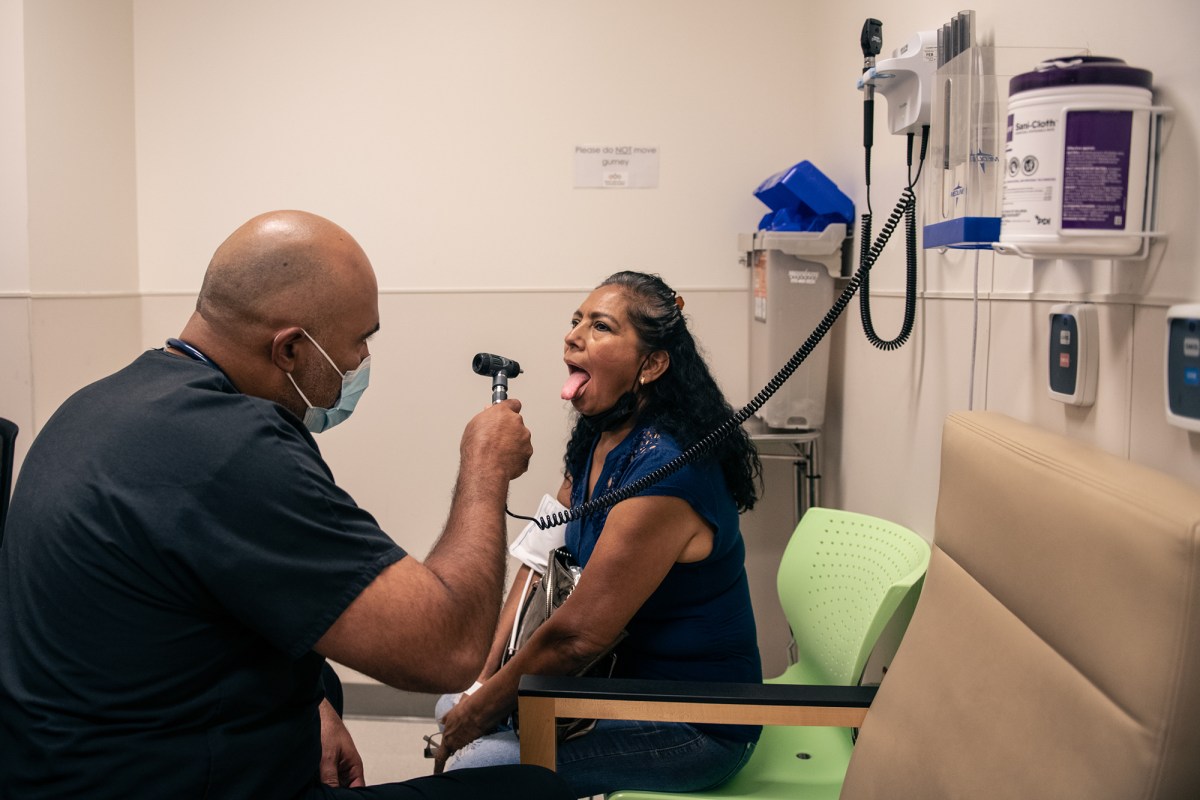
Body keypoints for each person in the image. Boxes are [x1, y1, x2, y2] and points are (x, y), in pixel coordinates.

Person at [0, 210, 573, 800]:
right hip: (167, 782)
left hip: (63, 768)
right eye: (359, 342)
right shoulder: (234, 447)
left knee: (327, 682)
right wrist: (485, 470)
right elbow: (449, 651)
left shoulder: (99, 404)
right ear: (292, 349)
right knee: (535, 790)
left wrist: (313, 703)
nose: (359, 364)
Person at [433, 271, 764, 797]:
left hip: (694, 724)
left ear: (652, 364)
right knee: (454, 703)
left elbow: (576, 638)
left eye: (601, 327)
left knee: (482, 763)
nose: (574, 336)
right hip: (615, 686)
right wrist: (482, 680)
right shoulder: (601, 436)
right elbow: (540, 557)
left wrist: (486, 707)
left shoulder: (667, 475)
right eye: (575, 321)